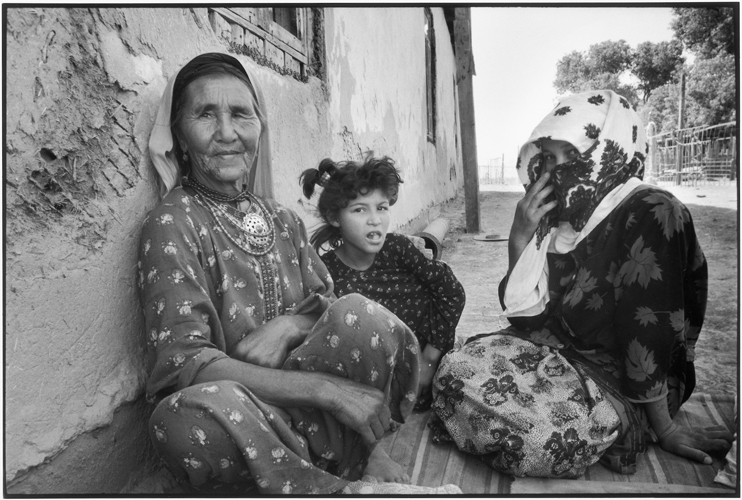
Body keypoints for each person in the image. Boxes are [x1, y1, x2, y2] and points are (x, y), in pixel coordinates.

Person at [139, 52, 461, 495]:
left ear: (260, 126)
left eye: (240, 114)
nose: (227, 133)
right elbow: (185, 364)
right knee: (179, 421)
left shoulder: (282, 218)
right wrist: (327, 392)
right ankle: (338, 486)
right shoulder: (173, 222)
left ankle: (351, 452)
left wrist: (290, 325)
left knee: (362, 315)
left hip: (303, 415)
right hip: (244, 412)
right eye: (205, 115)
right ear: (179, 132)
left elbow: (326, 308)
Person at [429, 90, 734, 479]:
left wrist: (666, 429)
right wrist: (520, 237)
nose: (558, 172)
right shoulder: (568, 211)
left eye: (571, 156)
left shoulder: (654, 211)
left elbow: (651, 329)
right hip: (555, 351)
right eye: (552, 159)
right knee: (453, 371)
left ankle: (630, 421)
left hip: (620, 375)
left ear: (609, 147)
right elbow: (526, 319)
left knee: (541, 438)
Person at [300, 156, 466, 409]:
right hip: (380, 382)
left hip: (433, 359)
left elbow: (451, 292)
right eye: (359, 209)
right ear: (335, 218)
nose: (375, 219)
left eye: (382, 207)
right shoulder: (327, 274)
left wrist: (429, 361)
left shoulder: (398, 250)